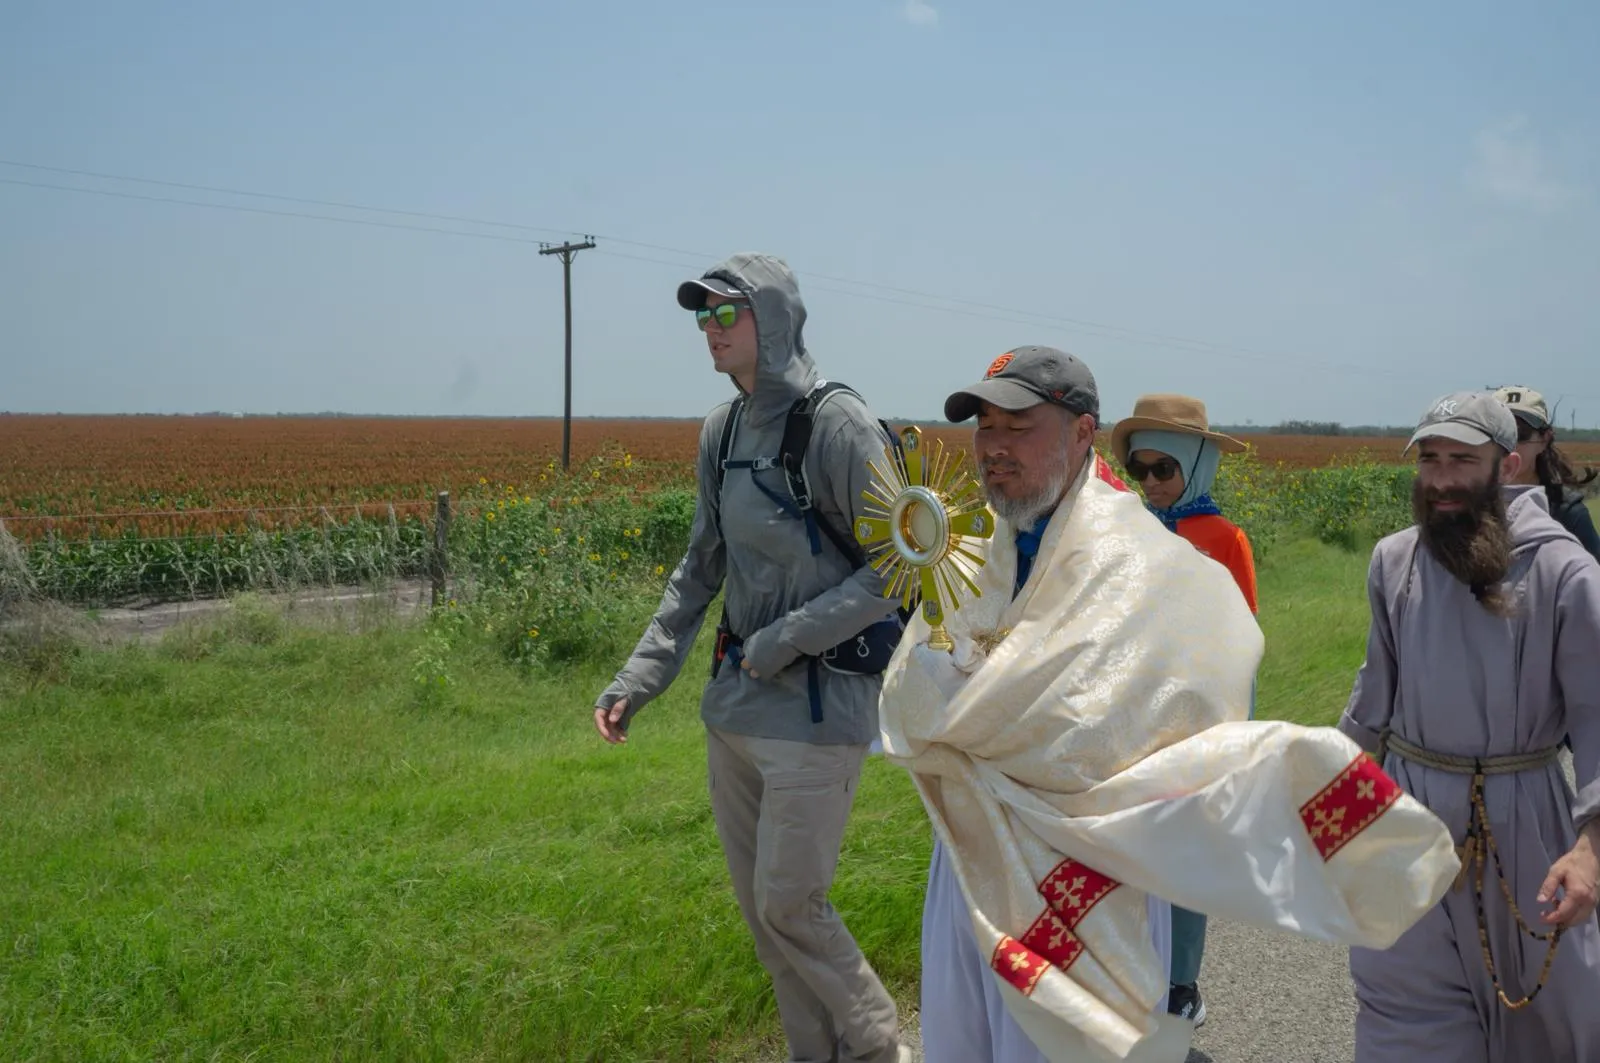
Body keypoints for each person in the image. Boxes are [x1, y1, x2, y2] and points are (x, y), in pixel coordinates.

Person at [879, 346, 1461, 1063]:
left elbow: (1190, 696)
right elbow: (925, 692)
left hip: (1090, 862)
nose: (994, 447)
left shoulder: (1147, 564)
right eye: (985, 426)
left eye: (1018, 424)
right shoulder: (973, 554)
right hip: (968, 854)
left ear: (1082, 432)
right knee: (961, 1037)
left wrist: (996, 717)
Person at [591, 253, 911, 1063]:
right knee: (769, 925)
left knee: (792, 905)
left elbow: (899, 564)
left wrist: (784, 637)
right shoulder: (722, 430)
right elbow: (700, 567)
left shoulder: (841, 425)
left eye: (725, 314)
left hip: (818, 713)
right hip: (733, 714)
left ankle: (880, 1045)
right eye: (701, 317)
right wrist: (640, 677)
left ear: (771, 319)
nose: (709, 329)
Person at [1336, 391, 1600, 1062]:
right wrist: (1322, 793)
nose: (1442, 478)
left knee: (1543, 1024)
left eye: (1462, 458)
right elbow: (1373, 701)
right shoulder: (1394, 562)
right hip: (1408, 822)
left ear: (1508, 465)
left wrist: (1590, 849)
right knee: (1402, 1015)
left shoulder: (1567, 572)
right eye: (1429, 458)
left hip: (1523, 826)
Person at [1108, 393, 1258, 1027]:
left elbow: (1241, 643)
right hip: (1128, 725)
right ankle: (1130, 976)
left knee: (1188, 859)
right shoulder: (1127, 532)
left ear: (1195, 464)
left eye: (1163, 469)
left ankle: (1181, 987)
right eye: (1140, 471)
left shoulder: (1224, 541)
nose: (1151, 484)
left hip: (1194, 728)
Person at [1491, 384, 1600, 564]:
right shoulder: (1468, 504)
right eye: (1498, 433)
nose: (1508, 444)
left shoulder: (1568, 513)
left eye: (1520, 433)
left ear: (1544, 439)